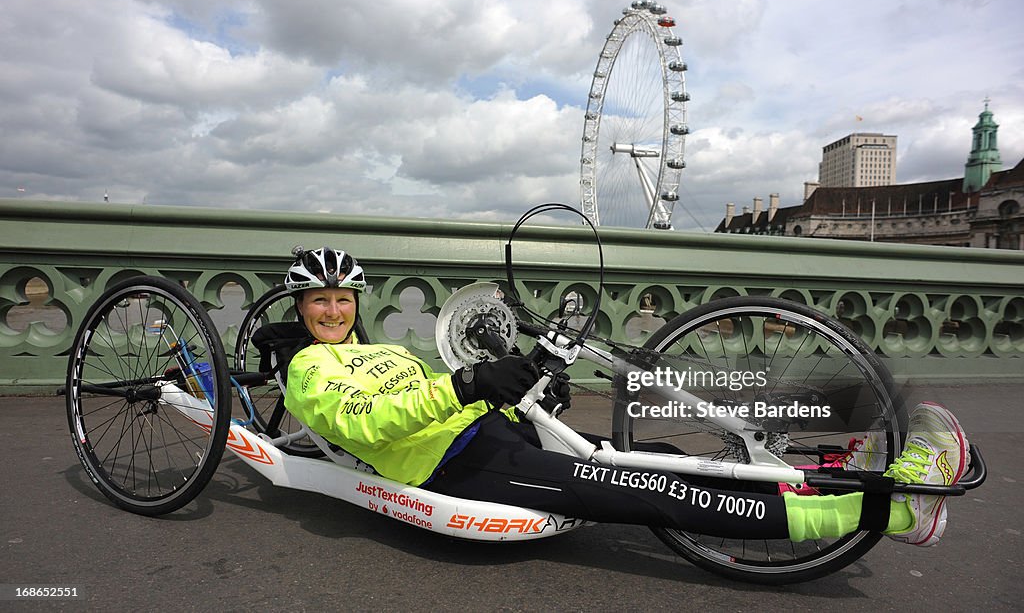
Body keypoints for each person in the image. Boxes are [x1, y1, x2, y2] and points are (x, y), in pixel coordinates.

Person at [280, 246, 970, 546]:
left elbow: (431, 389)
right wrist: (464, 386)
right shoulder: (309, 371)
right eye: (321, 302)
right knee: (652, 491)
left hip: (493, 432)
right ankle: (897, 511)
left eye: (343, 299)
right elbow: (365, 424)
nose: (334, 311)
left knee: (663, 454)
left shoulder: (385, 349)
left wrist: (503, 387)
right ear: (302, 308)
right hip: (451, 466)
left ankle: (826, 471)